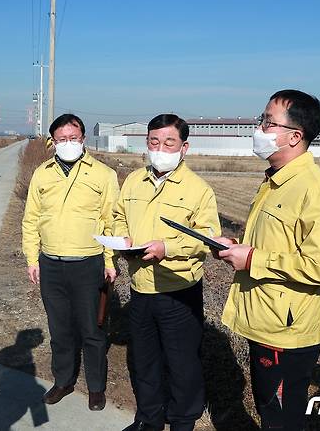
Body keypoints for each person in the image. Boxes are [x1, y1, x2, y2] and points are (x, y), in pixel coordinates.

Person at [213, 90, 320, 430]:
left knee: (281, 419)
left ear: (295, 136)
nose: (259, 128)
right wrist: (236, 247)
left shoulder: (313, 190)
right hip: (266, 320)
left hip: (286, 332)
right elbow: (278, 243)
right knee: (270, 410)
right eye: (262, 119)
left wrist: (254, 258)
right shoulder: (276, 181)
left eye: (268, 122)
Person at [113, 114, 221, 431]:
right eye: (154, 141)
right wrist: (123, 238)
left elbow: (208, 239)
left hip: (178, 291)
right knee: (144, 360)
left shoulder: (199, 190)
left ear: (184, 147)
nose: (160, 148)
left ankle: (182, 420)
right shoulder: (133, 181)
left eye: (169, 142)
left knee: (182, 363)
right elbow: (119, 216)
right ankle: (149, 417)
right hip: (140, 287)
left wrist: (167, 248)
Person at [21, 113, 119, 411]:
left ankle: (96, 388)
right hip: (50, 263)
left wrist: (109, 261)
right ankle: (63, 381)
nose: (67, 143)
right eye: (61, 139)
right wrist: (31, 258)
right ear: (53, 142)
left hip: (88, 263)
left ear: (83, 139)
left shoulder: (103, 174)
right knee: (60, 329)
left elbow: (111, 220)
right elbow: (31, 219)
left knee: (91, 329)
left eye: (73, 138)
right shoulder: (43, 172)